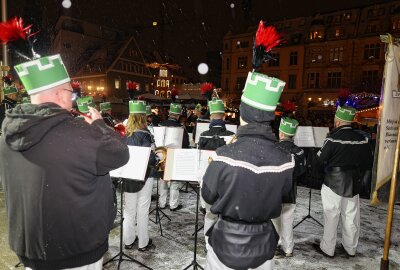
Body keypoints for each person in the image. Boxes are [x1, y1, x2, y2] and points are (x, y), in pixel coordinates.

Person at [0, 54, 129, 270]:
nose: (73, 97)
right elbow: (120, 154)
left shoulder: (7, 136)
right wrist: (99, 125)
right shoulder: (80, 133)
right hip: (76, 250)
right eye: (71, 92)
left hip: (31, 249)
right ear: (60, 94)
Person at [201, 71, 294, 270]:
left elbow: (207, 197)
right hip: (264, 244)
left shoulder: (224, 155)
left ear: (243, 114)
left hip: (226, 242)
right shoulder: (286, 160)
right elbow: (285, 199)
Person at [313, 105, 373, 258]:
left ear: (338, 122)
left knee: (331, 215)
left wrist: (319, 175)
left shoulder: (333, 138)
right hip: (353, 181)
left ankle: (328, 248)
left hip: (333, 180)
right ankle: (350, 248)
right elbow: (368, 162)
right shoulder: (362, 139)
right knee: (351, 216)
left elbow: (319, 161)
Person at [198, 97, 235, 251]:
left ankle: (208, 243)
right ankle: (223, 242)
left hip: (207, 178)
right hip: (226, 178)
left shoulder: (204, 134)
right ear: (224, 116)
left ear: (211, 116)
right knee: (225, 212)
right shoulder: (232, 134)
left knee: (209, 212)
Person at [123, 100, 157, 252]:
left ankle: (128, 241)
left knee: (129, 210)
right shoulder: (146, 134)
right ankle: (143, 243)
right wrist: (156, 157)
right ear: (143, 117)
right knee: (143, 209)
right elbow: (148, 159)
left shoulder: (124, 133)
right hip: (145, 175)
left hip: (128, 175)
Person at [272, 117, 306, 258]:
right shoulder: (299, 151)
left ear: (281, 134)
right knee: (288, 220)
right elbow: (302, 171)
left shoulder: (273, 149)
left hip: (274, 191)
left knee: (274, 220)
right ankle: (288, 248)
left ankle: (273, 246)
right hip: (291, 191)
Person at [158, 102, 190, 211]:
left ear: (169, 113)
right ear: (177, 115)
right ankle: (173, 204)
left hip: (162, 156)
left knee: (163, 180)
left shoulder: (160, 125)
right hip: (175, 156)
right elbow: (185, 145)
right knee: (174, 182)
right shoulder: (181, 128)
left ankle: (161, 203)